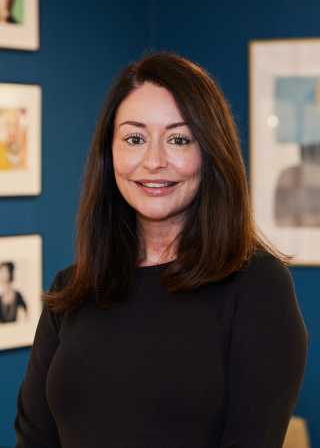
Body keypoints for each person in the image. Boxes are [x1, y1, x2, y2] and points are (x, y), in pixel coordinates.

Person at [14, 53, 308, 448]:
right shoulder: (72, 288)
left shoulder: (256, 286)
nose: (153, 161)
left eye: (179, 139)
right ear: (110, 153)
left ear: (211, 154)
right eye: (135, 138)